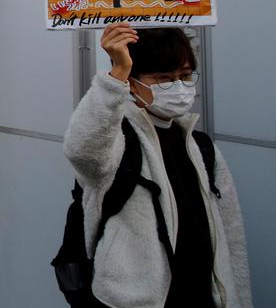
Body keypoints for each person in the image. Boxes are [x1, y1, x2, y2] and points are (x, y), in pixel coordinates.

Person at [64, 23, 252, 307]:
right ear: (132, 82)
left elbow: (231, 234)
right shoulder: (116, 138)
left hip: (203, 296)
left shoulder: (201, 146)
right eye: (163, 78)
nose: (178, 87)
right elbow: (83, 152)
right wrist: (115, 76)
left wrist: (237, 299)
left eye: (186, 76)